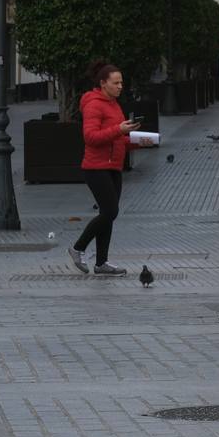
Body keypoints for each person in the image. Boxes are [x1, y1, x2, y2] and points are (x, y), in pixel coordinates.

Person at [70, 61, 152, 276]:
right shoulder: (94, 105)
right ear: (103, 83)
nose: (120, 86)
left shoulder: (114, 104)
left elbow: (118, 139)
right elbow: (91, 137)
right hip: (96, 167)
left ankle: (101, 263)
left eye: (121, 82)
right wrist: (118, 129)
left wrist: (137, 141)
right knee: (110, 211)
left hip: (113, 166)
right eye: (115, 83)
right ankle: (77, 248)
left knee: (109, 215)